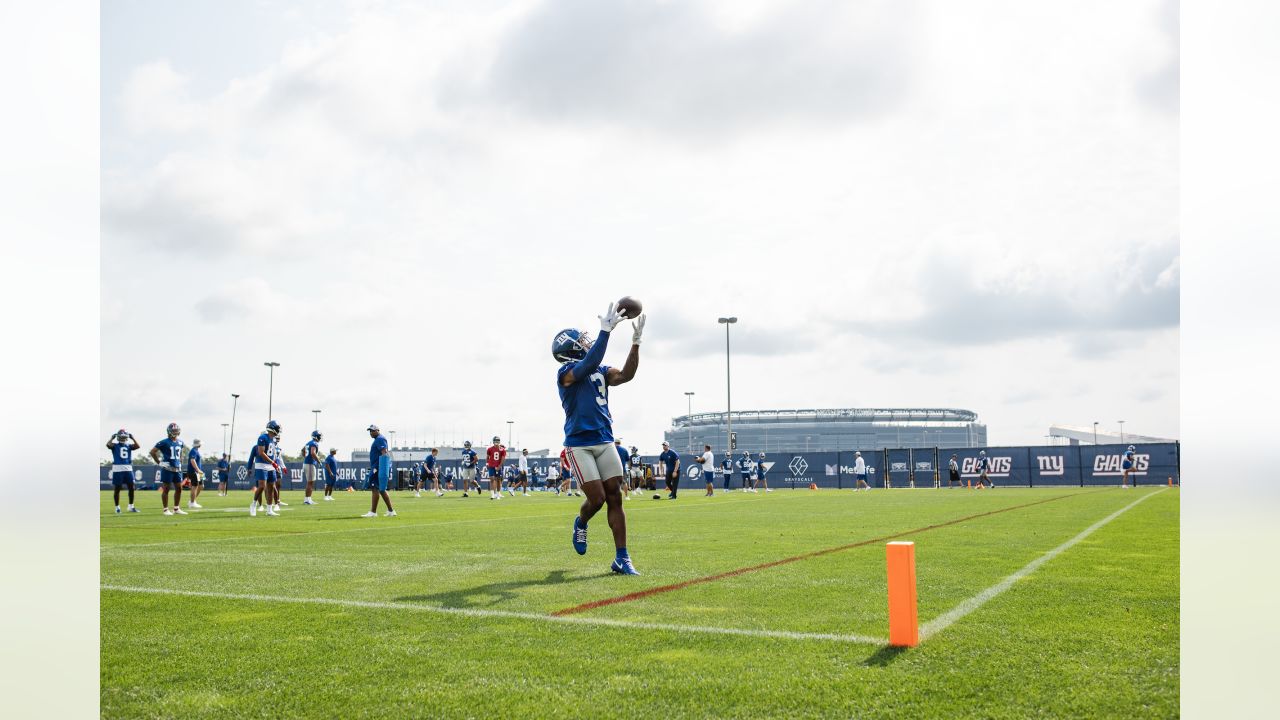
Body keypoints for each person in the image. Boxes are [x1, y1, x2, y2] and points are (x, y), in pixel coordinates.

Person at [553, 303, 645, 575]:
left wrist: (635, 344)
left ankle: (622, 558)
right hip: (579, 444)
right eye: (580, 340)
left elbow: (626, 375)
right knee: (596, 499)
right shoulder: (566, 374)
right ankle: (581, 522)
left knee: (615, 496)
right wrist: (605, 332)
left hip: (605, 440)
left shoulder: (601, 370)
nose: (586, 342)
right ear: (569, 348)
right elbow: (588, 363)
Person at [150, 423, 188, 516]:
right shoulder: (164, 442)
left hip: (177, 469)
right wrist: (159, 462)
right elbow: (152, 451)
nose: (175, 432)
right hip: (168, 468)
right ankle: (165, 509)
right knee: (166, 489)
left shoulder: (180, 442)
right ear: (169, 431)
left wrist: (180, 461)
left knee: (179, 488)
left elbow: (180, 454)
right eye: (173, 431)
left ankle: (176, 508)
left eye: (176, 430)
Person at [249, 421, 282, 517]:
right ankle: (253, 504)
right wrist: (273, 463)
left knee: (271, 487)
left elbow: (273, 454)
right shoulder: (263, 438)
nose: (278, 430)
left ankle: (269, 510)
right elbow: (261, 452)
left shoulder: (273, 439)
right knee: (262, 486)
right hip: (261, 464)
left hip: (271, 465)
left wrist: (276, 464)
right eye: (277, 428)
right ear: (273, 428)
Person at [362, 425, 396, 517]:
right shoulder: (378, 439)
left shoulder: (380, 439)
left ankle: (373, 512)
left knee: (375, 488)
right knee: (381, 489)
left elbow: (384, 452)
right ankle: (391, 511)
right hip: (377, 467)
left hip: (377, 468)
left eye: (373, 431)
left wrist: (382, 469)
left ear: (378, 430)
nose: (371, 433)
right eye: (370, 431)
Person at [107, 429, 141, 513]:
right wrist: (111, 438)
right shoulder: (115, 445)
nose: (122, 438)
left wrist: (133, 438)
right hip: (118, 469)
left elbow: (138, 446)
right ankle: (117, 507)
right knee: (117, 489)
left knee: (132, 488)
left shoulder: (129, 446)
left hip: (128, 468)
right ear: (118, 438)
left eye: (124, 437)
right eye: (121, 437)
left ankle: (131, 506)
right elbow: (108, 445)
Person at [303, 430, 323, 505]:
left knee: (310, 482)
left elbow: (303, 451)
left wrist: (306, 458)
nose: (320, 437)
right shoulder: (314, 443)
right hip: (310, 464)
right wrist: (319, 461)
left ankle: (307, 499)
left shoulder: (309, 443)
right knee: (310, 482)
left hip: (307, 463)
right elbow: (312, 453)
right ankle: (308, 499)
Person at [185, 438, 205, 508]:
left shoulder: (196, 451)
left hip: (199, 472)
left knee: (201, 486)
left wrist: (199, 471)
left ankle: (192, 501)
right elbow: (192, 460)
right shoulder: (193, 451)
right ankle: (192, 503)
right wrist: (198, 470)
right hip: (194, 471)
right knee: (195, 486)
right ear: (199, 444)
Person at [485, 436, 506, 500]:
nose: (496, 442)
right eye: (495, 441)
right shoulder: (489, 449)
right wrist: (487, 463)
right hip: (491, 465)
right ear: (493, 441)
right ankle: (492, 494)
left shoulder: (502, 450)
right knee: (492, 479)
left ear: (499, 441)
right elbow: (487, 457)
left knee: (498, 480)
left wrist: (499, 466)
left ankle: (498, 493)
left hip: (498, 466)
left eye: (497, 441)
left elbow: (503, 459)